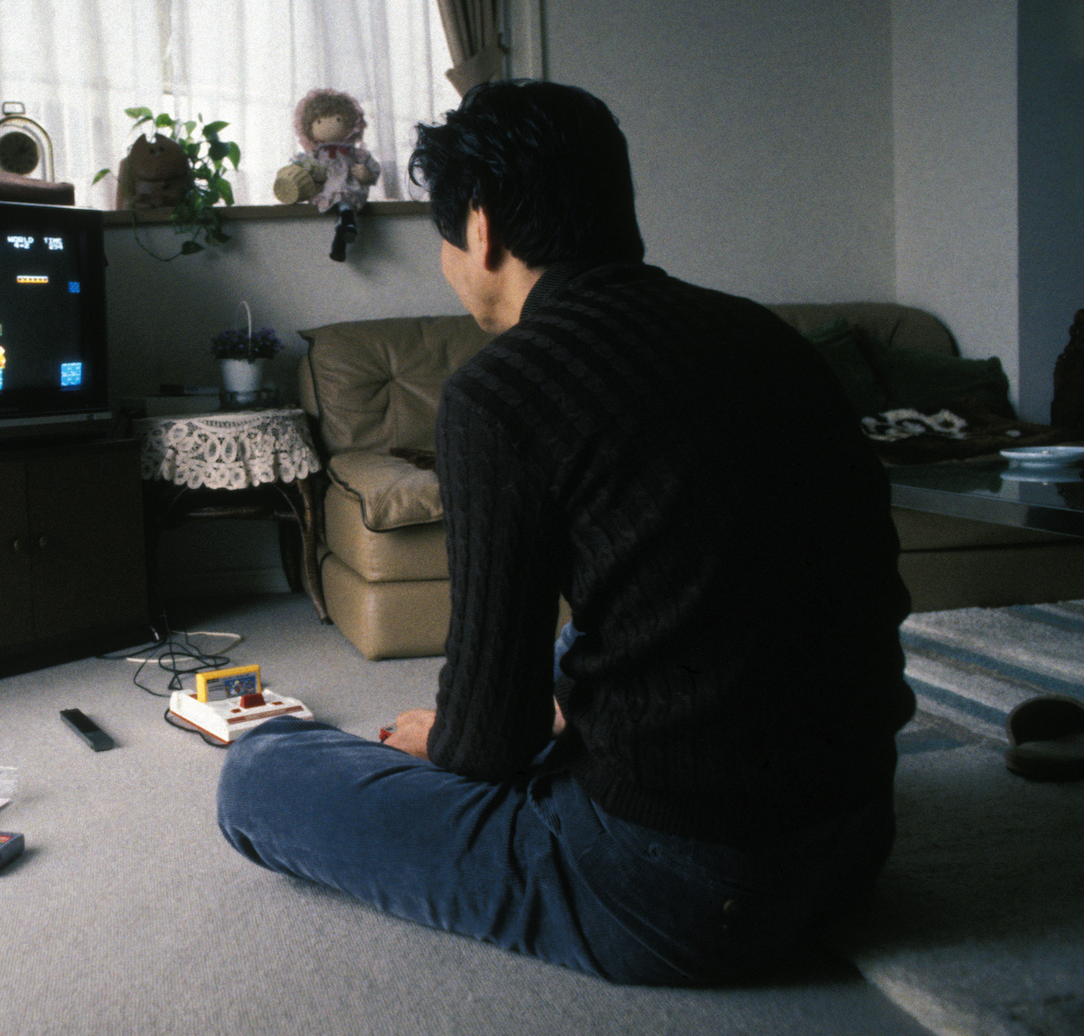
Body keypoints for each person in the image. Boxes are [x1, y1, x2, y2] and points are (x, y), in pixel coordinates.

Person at [216, 79, 915, 985]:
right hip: (856, 835)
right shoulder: (772, 340)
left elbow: (485, 746)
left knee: (262, 770)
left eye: (442, 236)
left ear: (480, 227)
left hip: (684, 892)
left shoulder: (501, 391)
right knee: (596, 625)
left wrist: (443, 738)